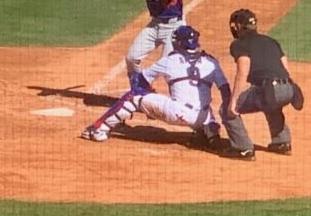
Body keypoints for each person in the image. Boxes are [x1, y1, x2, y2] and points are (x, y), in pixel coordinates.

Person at [81, 25, 230, 151]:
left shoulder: (169, 60)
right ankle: (209, 132)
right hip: (202, 118)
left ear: (178, 43)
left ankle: (99, 129)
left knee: (134, 97)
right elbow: (225, 89)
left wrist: (148, 97)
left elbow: (141, 81)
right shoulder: (211, 62)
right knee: (204, 106)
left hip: (176, 113)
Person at [220, 9, 304, 160]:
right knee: (270, 102)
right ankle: (282, 142)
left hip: (270, 90)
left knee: (227, 110)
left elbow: (242, 70)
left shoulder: (239, 44)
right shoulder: (271, 41)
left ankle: (243, 149)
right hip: (289, 89)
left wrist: (233, 101)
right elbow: (285, 68)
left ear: (239, 26)